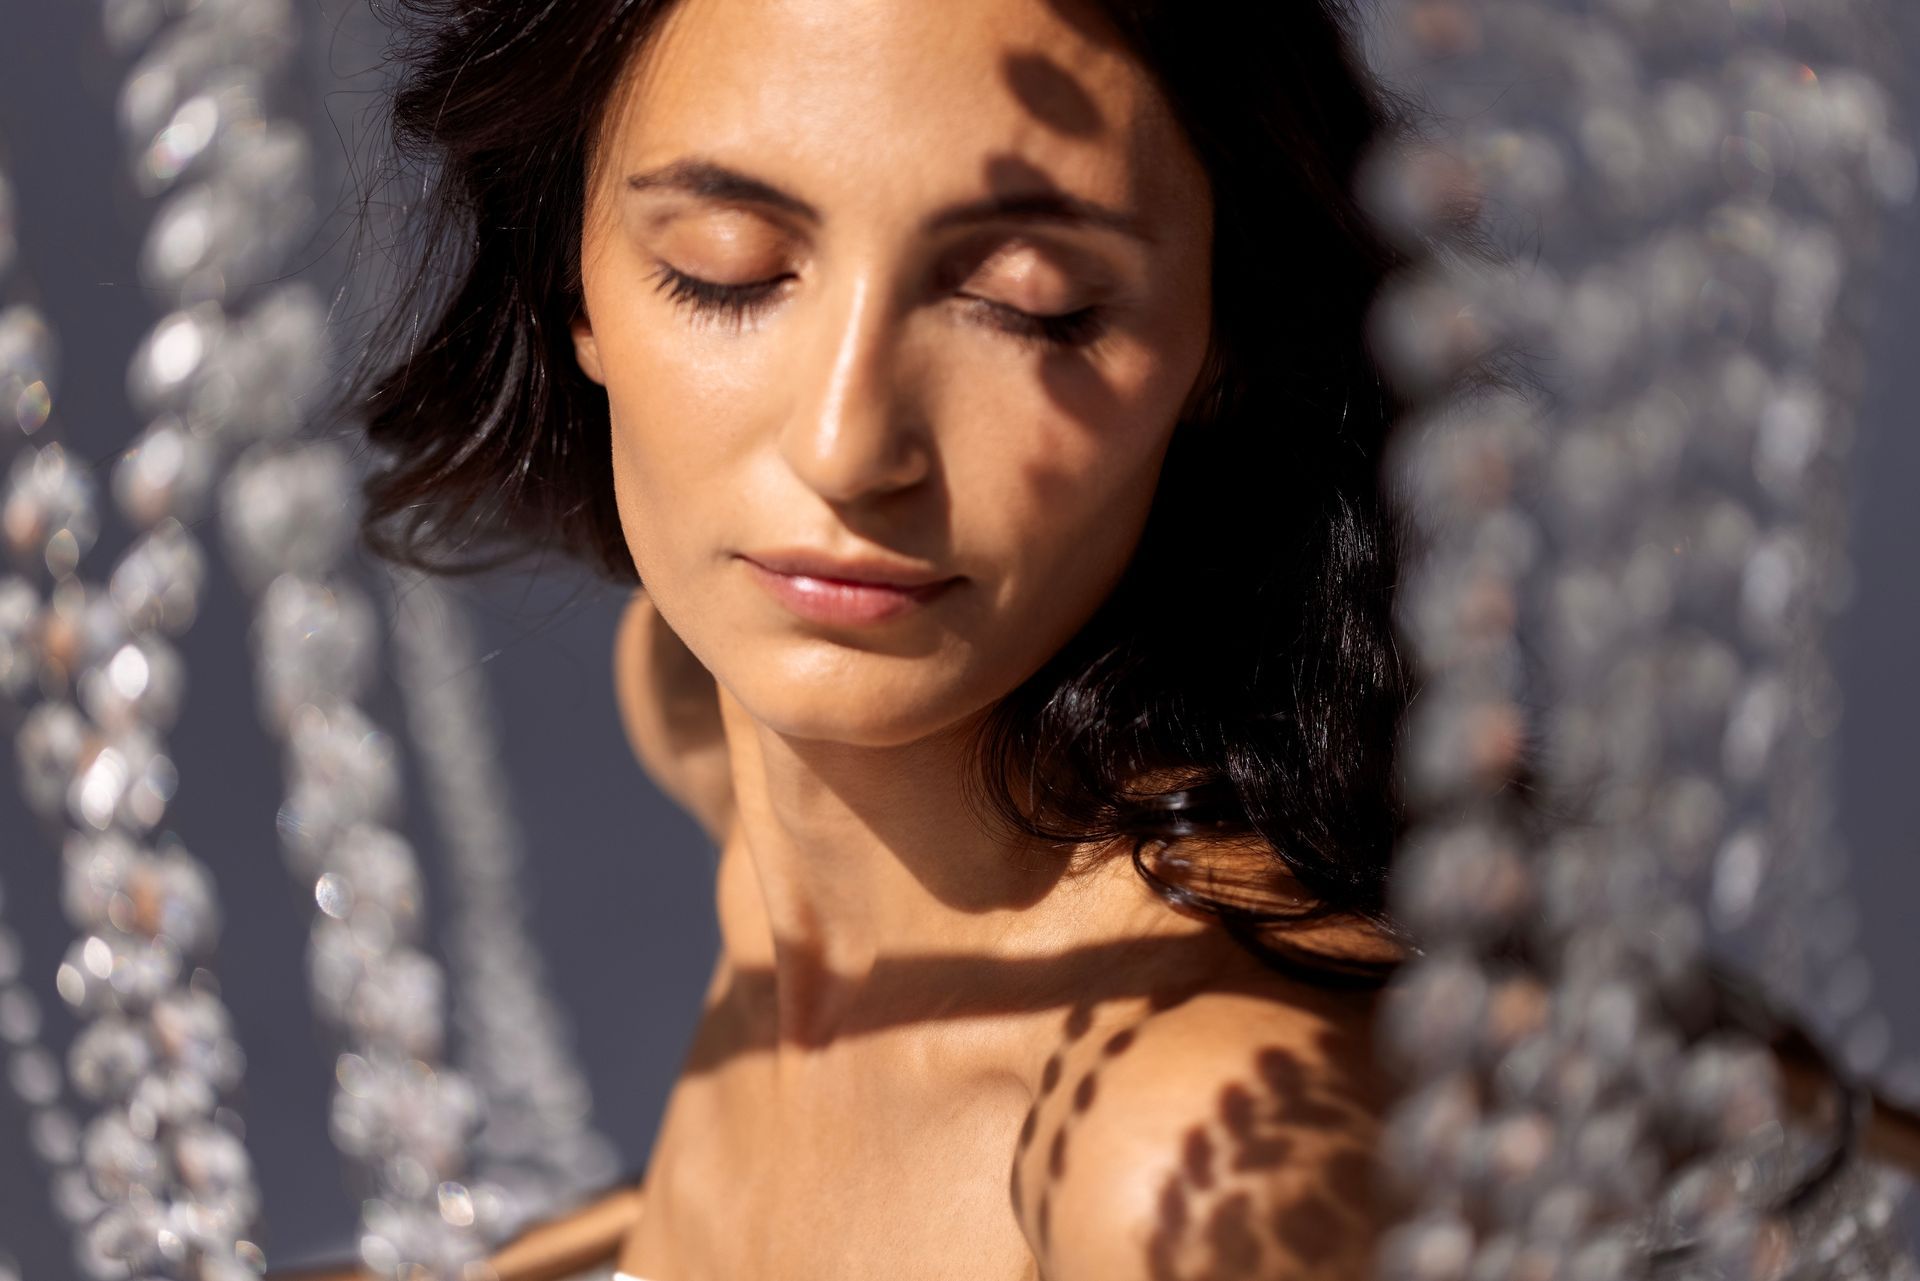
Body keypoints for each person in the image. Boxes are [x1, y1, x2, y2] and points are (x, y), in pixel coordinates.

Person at [297, 0, 1424, 1277]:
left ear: (1225, 336)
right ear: (575, 281)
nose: (846, 447)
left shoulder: (1194, 1159)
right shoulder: (700, 708)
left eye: (1029, 304)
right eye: (725, 267)